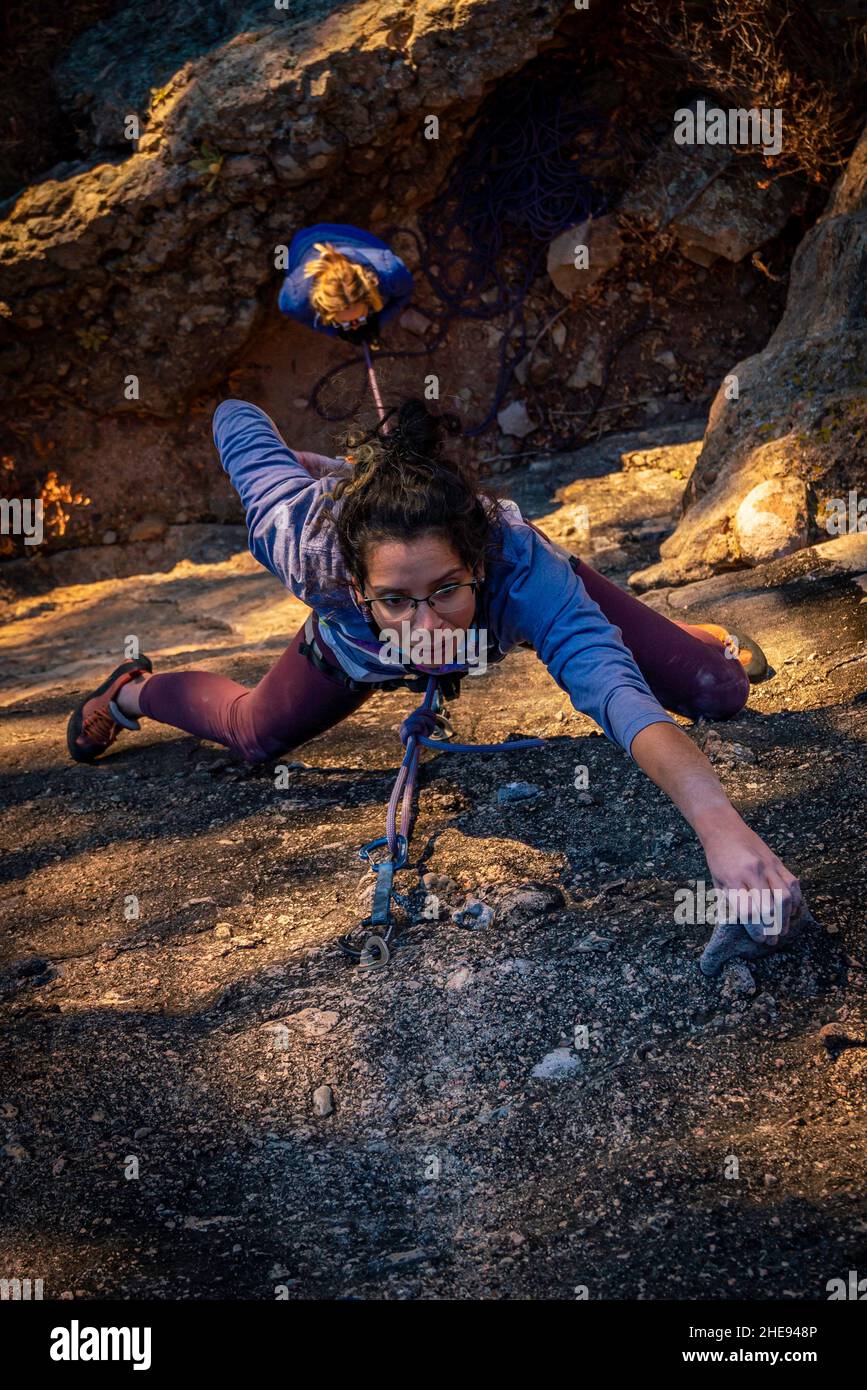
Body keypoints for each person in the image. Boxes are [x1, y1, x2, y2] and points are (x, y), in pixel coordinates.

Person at [66, 398, 801, 957]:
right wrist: (317, 468)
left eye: (446, 589)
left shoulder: (518, 563)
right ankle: (128, 693)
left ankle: (686, 643)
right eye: (393, 599)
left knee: (717, 692)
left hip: (522, 594)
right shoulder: (299, 540)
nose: (425, 626)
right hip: (352, 648)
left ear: (477, 565)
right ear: (352, 583)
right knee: (252, 735)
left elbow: (612, 693)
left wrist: (722, 829)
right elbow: (233, 416)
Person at [277, 223, 414, 346]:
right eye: (344, 322)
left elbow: (405, 292)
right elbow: (301, 317)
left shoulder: (390, 271)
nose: (355, 327)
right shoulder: (295, 299)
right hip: (301, 243)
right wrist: (336, 332)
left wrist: (378, 321)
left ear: (369, 295)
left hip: (349, 235)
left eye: (360, 317)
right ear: (323, 310)